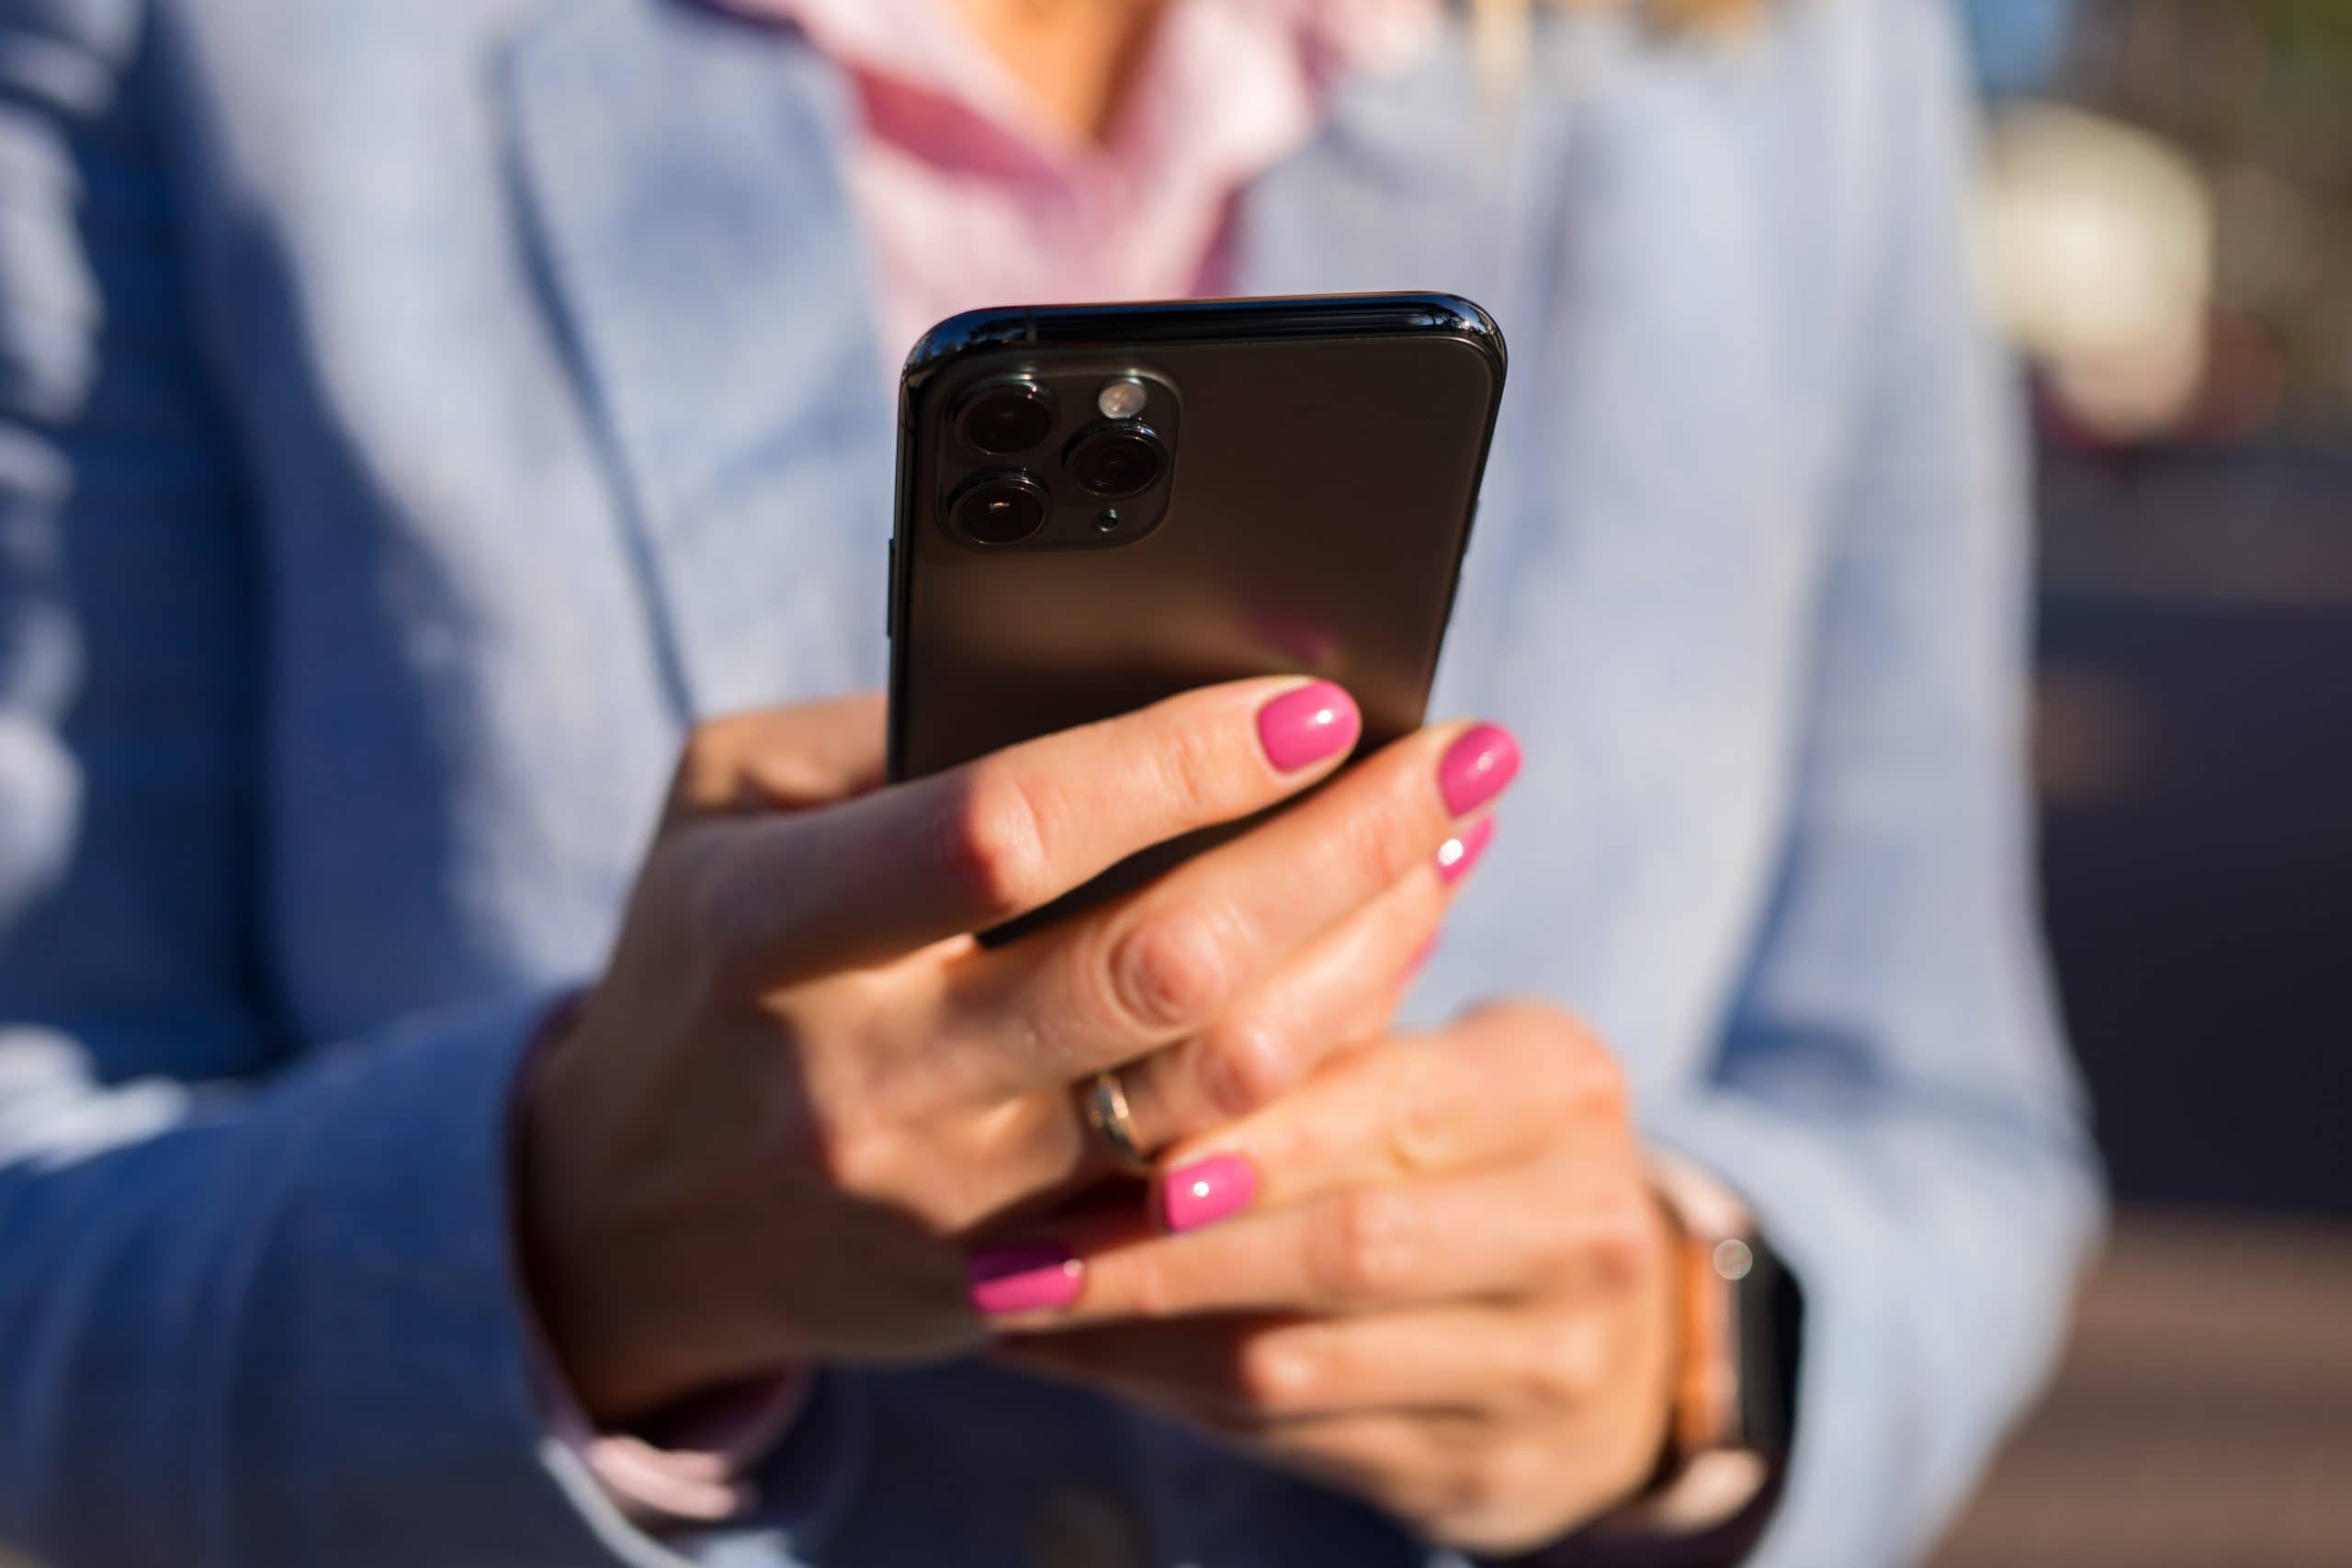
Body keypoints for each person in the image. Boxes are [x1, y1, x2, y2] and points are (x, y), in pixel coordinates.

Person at [0, 0, 2102, 1564]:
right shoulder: (221, 54)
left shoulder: (1779, 62)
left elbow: (1935, 1119)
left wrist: (1675, 1341)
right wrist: (563, 1233)